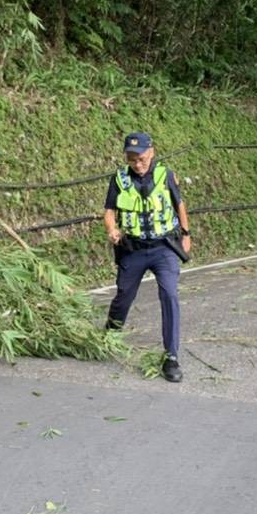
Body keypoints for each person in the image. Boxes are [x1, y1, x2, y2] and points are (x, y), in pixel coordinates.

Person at [103, 131, 193, 383]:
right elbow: (109, 210)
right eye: (132, 159)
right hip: (133, 249)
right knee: (124, 295)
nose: (137, 164)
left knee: (169, 294)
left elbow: (180, 204)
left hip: (163, 247)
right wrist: (112, 229)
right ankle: (110, 334)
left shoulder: (165, 175)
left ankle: (171, 357)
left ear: (151, 152)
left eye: (141, 158)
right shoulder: (119, 179)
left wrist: (186, 233)